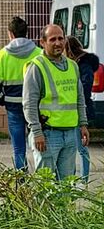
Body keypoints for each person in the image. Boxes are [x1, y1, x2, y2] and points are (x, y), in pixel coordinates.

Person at [24, 24, 89, 181]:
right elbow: (29, 103)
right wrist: (37, 132)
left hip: (70, 134)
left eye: (61, 38)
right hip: (47, 134)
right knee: (45, 186)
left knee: (67, 184)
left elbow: (79, 98)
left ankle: (65, 207)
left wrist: (83, 124)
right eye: (52, 39)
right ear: (43, 42)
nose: (58, 43)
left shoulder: (73, 66)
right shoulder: (37, 67)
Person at [0, 16, 42, 172]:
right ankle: (42, 179)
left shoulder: (2, 55)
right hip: (35, 107)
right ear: (26, 32)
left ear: (10, 33)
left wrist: (0, 100)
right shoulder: (39, 53)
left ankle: (22, 182)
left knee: (19, 149)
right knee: (38, 144)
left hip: (13, 106)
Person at [65, 35, 98, 182]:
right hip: (77, 109)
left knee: (81, 148)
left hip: (80, 109)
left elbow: (85, 87)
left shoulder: (82, 66)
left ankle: (83, 179)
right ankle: (78, 178)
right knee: (77, 147)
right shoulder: (79, 64)